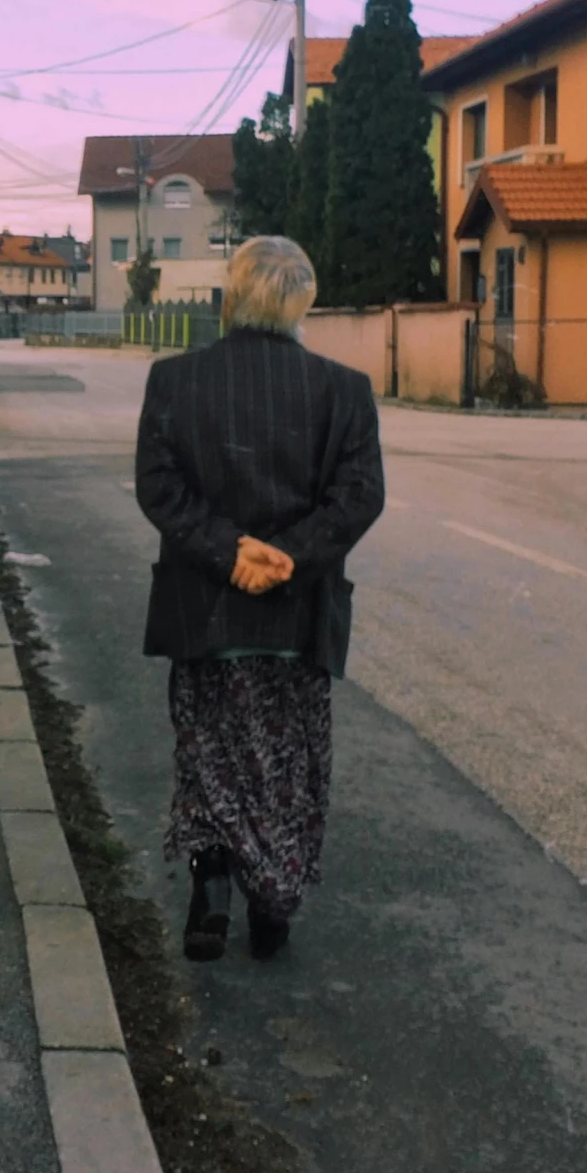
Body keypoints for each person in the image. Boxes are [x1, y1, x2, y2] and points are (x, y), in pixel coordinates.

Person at [133, 236, 385, 962]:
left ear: (229, 295)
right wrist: (288, 558)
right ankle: (272, 905)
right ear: (303, 301)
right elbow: (359, 497)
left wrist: (228, 550)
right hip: (295, 619)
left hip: (205, 615)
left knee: (207, 755)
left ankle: (209, 890)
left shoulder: (174, 381)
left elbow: (160, 488)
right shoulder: (344, 390)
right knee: (287, 766)